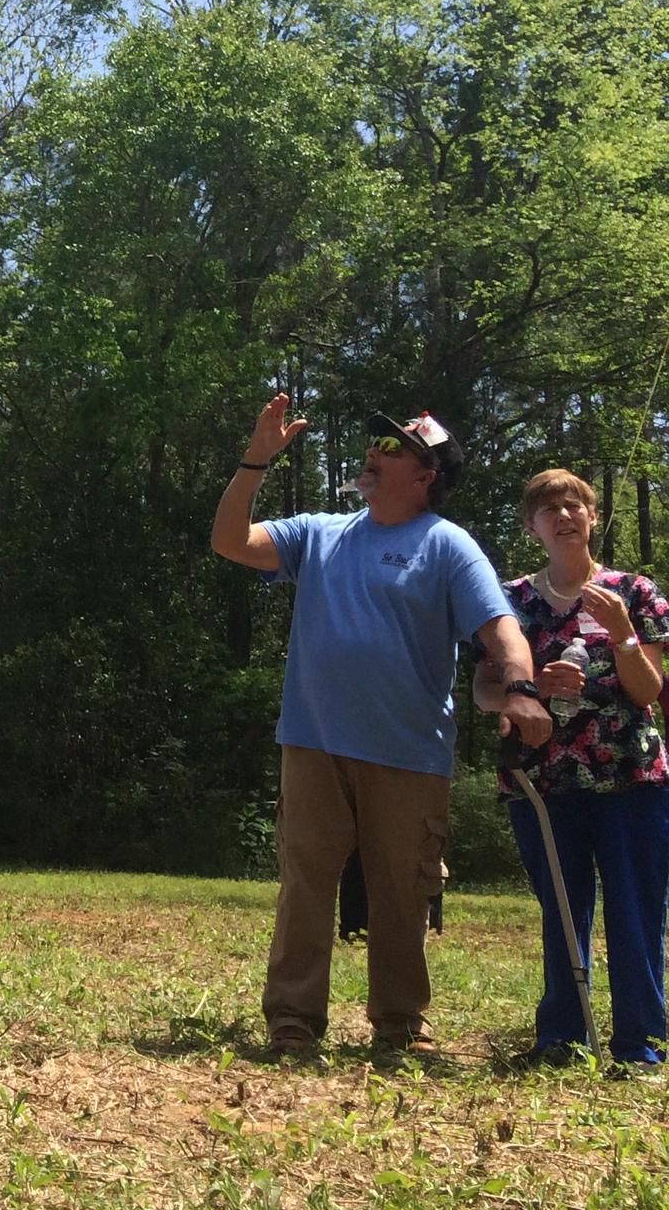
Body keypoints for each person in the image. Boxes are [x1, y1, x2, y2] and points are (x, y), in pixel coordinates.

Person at [212, 396, 543, 1059]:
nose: (375, 454)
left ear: (427, 476)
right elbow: (228, 540)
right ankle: (293, 1022)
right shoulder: (319, 533)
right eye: (377, 446)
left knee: (402, 892)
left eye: (395, 450)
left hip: (408, 754)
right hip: (312, 743)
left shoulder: (447, 546)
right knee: (305, 883)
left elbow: (500, 627)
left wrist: (521, 690)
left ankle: (400, 1025)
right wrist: (256, 460)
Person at [477, 467, 668, 1067]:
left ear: (591, 516)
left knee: (637, 909)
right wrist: (524, 690)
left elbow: (648, 691)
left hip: (631, 778)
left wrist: (623, 638)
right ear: (532, 526)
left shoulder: (633, 595)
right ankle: (561, 1037)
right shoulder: (510, 602)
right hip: (544, 780)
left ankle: (642, 1043)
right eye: (548, 509)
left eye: (574, 505)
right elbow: (484, 688)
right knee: (562, 909)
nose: (563, 515)